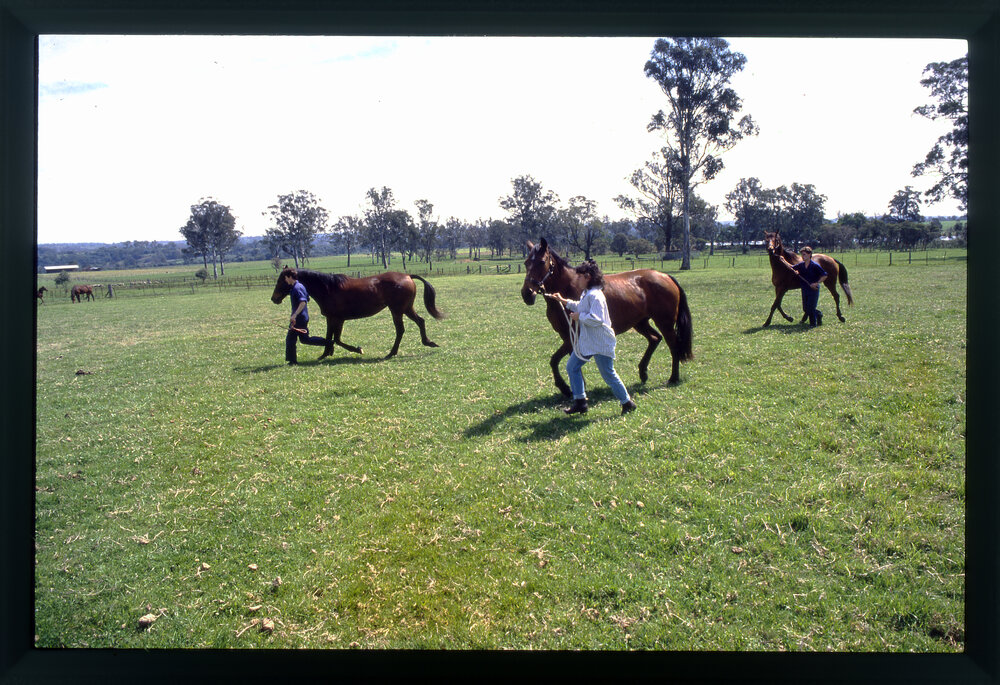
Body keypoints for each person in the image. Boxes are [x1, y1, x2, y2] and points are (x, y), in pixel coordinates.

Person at [545, 261, 637, 416]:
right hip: (588, 341)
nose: (576, 280)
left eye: (579, 277)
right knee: (572, 366)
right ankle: (580, 402)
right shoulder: (587, 293)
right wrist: (563, 301)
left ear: (587, 277)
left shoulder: (595, 296)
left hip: (600, 341)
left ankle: (627, 403)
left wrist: (578, 317)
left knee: (608, 374)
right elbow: (581, 306)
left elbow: (597, 319)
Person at [282, 267, 327, 364]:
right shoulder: (298, 286)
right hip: (300, 317)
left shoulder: (298, 288)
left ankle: (292, 361)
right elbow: (307, 298)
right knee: (303, 339)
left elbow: (303, 302)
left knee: (294, 339)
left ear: (290, 277)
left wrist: (294, 315)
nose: (285, 280)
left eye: (285, 277)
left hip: (300, 318)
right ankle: (328, 343)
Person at [780, 246, 827, 326]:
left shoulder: (815, 266)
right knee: (805, 308)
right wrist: (783, 260)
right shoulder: (801, 265)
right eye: (802, 254)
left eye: (804, 254)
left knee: (811, 308)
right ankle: (819, 314)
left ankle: (813, 324)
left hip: (813, 289)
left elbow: (824, 275)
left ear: (809, 254)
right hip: (805, 289)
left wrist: (817, 283)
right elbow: (791, 268)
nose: (802, 256)